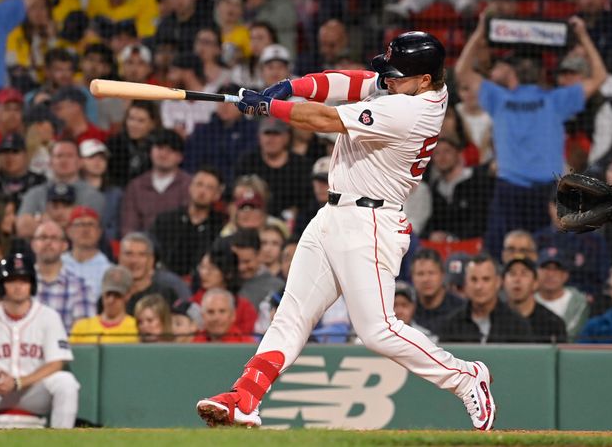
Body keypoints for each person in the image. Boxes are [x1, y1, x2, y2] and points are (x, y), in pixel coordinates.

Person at [195, 31, 496, 431]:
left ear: (425, 80)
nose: (387, 80)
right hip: (334, 213)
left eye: (396, 76)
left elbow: (326, 118)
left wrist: (271, 107)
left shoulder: (412, 111)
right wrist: (292, 86)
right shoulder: (404, 85)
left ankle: (464, 376)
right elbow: (353, 82)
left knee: (377, 330)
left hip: (371, 223)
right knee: (291, 315)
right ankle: (244, 396)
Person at [455, 15, 607, 260]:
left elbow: (461, 71)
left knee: (500, 258)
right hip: (544, 193)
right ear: (542, 74)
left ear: (512, 73)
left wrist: (480, 31)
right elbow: (600, 76)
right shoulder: (555, 100)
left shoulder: (500, 99)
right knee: (543, 258)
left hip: (511, 192)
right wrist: (583, 36)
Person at [0, 253, 80, 428]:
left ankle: (63, 442)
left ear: (31, 285)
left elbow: (56, 363)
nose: (18, 286)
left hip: (31, 394)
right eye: (12, 280)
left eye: (23, 280)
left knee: (66, 382)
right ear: (2, 285)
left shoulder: (48, 316)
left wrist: (19, 382)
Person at [17, 139, 106, 238]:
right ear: (50, 162)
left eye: (69, 156)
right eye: (59, 156)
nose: (64, 160)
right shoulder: (35, 193)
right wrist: (69, 223)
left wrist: (45, 222)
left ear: (80, 162)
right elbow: (23, 228)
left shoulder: (93, 195)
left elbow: (86, 232)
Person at [436, 255, 534, 344]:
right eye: (474, 279)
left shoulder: (517, 325)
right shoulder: (450, 325)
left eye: (486, 279)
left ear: (498, 282)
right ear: (466, 283)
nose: (479, 286)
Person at [150, 166, 226, 278]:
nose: (202, 191)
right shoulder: (166, 220)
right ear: (190, 187)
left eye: (209, 188)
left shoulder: (221, 225)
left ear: (217, 195)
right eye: (199, 184)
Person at [234, 117, 311, 219]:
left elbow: (306, 202)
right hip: (253, 218)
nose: (271, 139)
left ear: (286, 137)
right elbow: (234, 198)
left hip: (293, 223)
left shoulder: (301, 165)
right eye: (267, 133)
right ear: (259, 136)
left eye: (276, 134)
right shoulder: (247, 162)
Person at [121, 129, 191, 236]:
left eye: (170, 150)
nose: (163, 154)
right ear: (151, 151)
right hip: (142, 248)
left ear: (180, 157)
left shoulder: (189, 185)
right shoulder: (136, 186)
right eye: (159, 148)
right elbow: (129, 226)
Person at [422, 135, 491, 241]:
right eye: (436, 153)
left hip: (474, 243)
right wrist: (431, 235)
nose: (442, 157)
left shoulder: (477, 180)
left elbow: (481, 220)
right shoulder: (435, 189)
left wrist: (453, 237)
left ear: (458, 154)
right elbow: (431, 221)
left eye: (447, 151)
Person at [32, 220, 95, 333]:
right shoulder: (20, 285)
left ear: (65, 245)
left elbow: (83, 339)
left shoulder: (81, 288)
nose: (48, 242)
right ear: (33, 244)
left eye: (54, 238)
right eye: (43, 237)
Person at [502, 257, 567, 343]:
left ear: (535, 283)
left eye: (524, 274)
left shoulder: (553, 323)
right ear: (502, 282)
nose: (517, 279)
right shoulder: (494, 319)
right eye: (512, 274)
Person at [69, 265, 139, 344]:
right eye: (108, 294)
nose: (111, 300)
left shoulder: (136, 328)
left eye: (117, 295)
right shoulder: (81, 327)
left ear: (128, 295)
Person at [534, 249, 589, 341]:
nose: (550, 274)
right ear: (536, 272)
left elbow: (573, 335)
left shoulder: (579, 302)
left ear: (566, 275)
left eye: (556, 269)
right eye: (545, 268)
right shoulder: (528, 300)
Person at [61, 206, 111, 298]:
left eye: (91, 224)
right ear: (68, 231)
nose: (85, 230)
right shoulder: (58, 264)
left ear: (99, 232)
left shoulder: (108, 270)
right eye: (79, 224)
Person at [411, 248, 464, 333]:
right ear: (412, 277)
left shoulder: (460, 308)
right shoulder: (407, 308)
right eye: (420, 274)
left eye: (431, 273)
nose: (426, 279)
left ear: (442, 275)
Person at [0, 133, 46, 206]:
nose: (9, 157)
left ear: (25, 155)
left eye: (15, 152)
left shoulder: (39, 182)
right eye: (5, 152)